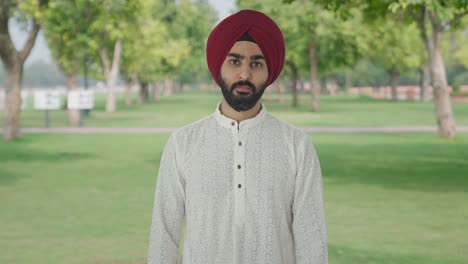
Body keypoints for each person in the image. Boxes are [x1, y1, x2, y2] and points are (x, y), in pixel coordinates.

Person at [147, 9, 328, 264]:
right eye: (234, 62)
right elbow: (163, 234)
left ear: (269, 71)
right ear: (218, 66)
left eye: (256, 63)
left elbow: (312, 238)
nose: (244, 74)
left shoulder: (297, 145)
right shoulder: (183, 143)